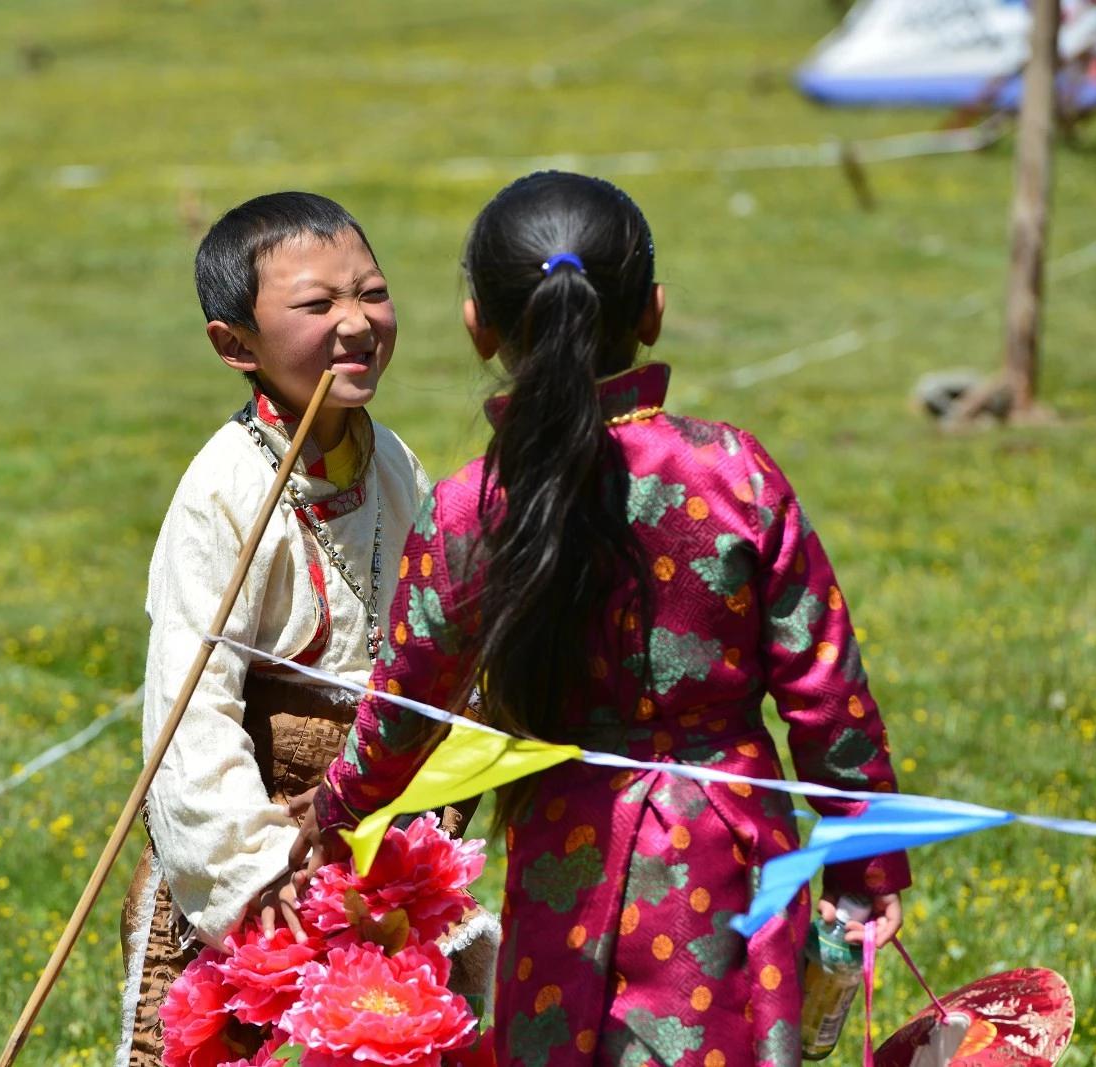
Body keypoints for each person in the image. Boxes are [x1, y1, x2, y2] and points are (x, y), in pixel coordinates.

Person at [296, 172, 911, 1067]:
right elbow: (826, 690)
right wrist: (866, 862)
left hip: (564, 858)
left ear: (481, 325)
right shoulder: (734, 472)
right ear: (652, 311)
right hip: (730, 840)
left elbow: (409, 705)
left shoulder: (472, 507)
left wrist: (335, 808)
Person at [116, 192, 445, 1067]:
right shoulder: (222, 494)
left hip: (372, 853)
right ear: (235, 345)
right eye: (316, 305)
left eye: (371, 292)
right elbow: (188, 720)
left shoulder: (395, 463)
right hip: (260, 874)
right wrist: (258, 874)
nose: (355, 323)